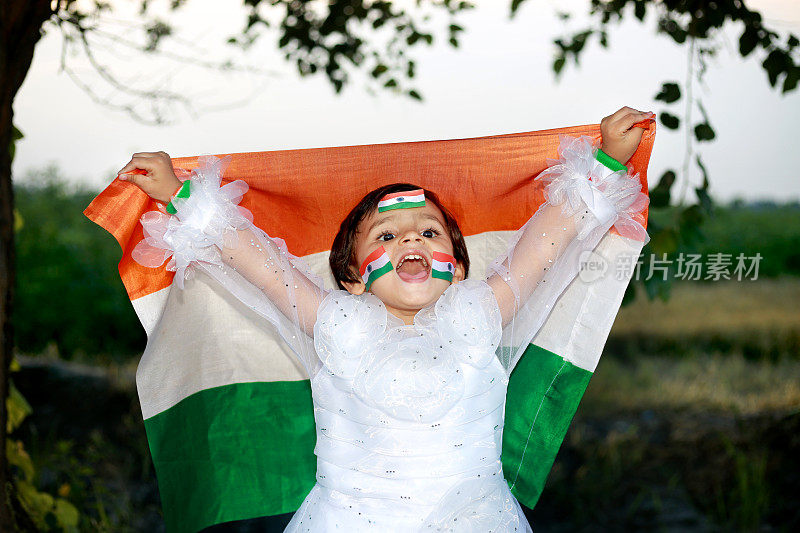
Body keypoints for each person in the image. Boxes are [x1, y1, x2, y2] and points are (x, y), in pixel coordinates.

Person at [116, 106, 653, 532]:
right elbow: (261, 265)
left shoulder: (480, 316)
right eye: (387, 236)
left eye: (429, 231)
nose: (411, 239)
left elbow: (544, 247)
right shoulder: (336, 326)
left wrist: (605, 161)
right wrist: (180, 196)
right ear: (353, 278)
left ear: (458, 267)